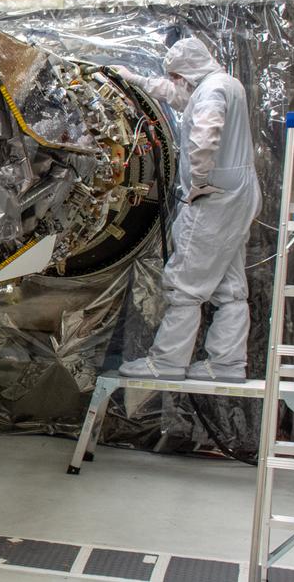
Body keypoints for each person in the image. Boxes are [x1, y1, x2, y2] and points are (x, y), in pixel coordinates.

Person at [114, 38, 262, 382]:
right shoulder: (226, 84)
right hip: (239, 194)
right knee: (230, 284)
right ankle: (227, 363)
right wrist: (135, 79)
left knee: (184, 282)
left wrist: (198, 180)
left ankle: (167, 362)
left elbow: (205, 135)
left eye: (177, 77)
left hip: (214, 198)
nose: (176, 83)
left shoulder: (211, 92)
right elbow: (179, 95)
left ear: (188, 72)